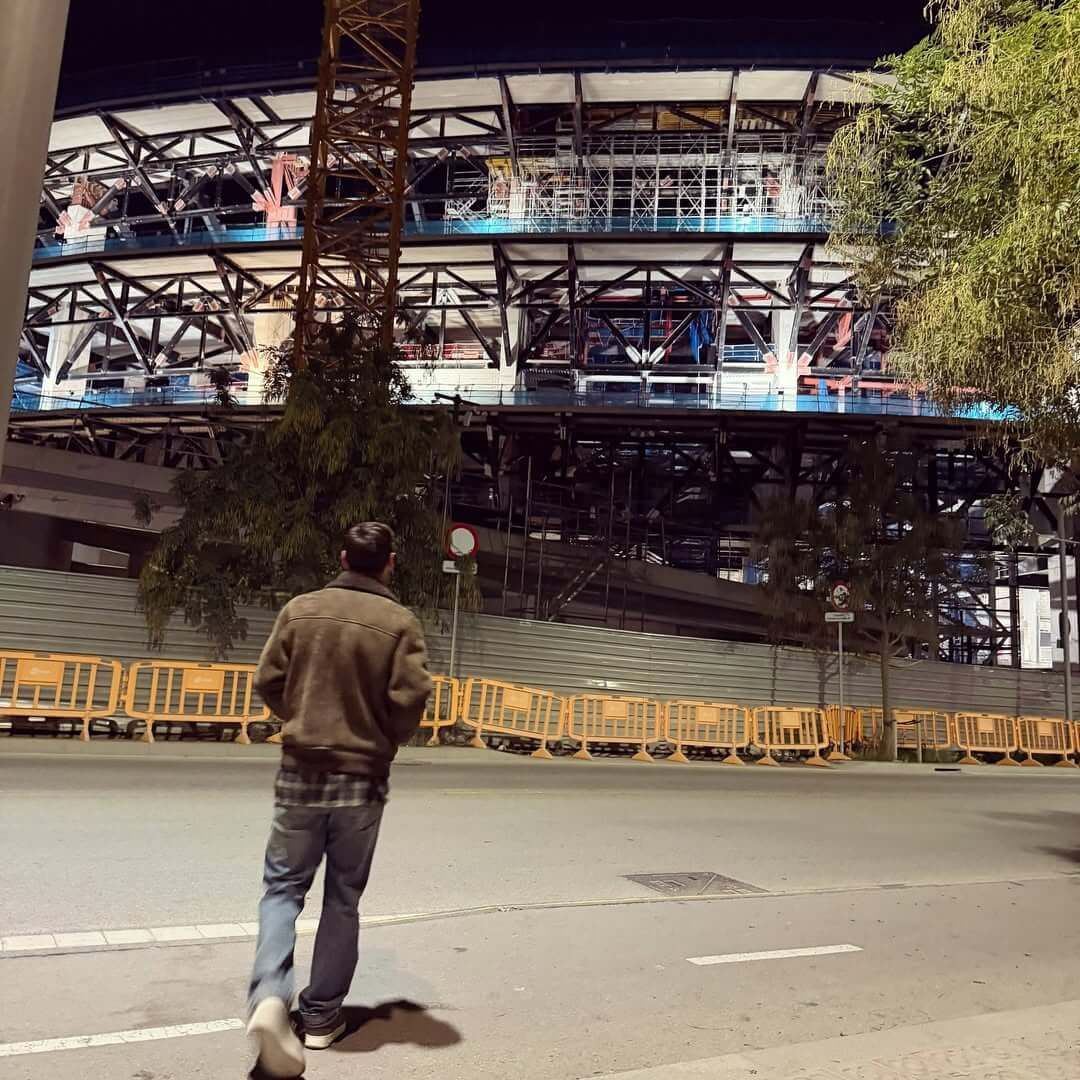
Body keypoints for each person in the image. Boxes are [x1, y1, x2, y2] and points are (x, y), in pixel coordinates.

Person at [246, 522, 433, 1078]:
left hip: (300, 770)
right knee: (343, 898)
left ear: (343, 556)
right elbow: (411, 698)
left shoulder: (301, 610)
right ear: (389, 563)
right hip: (362, 778)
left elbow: (269, 681)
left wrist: (300, 718)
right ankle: (322, 1019)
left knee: (282, 890)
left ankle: (269, 998)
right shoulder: (400, 624)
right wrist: (382, 736)